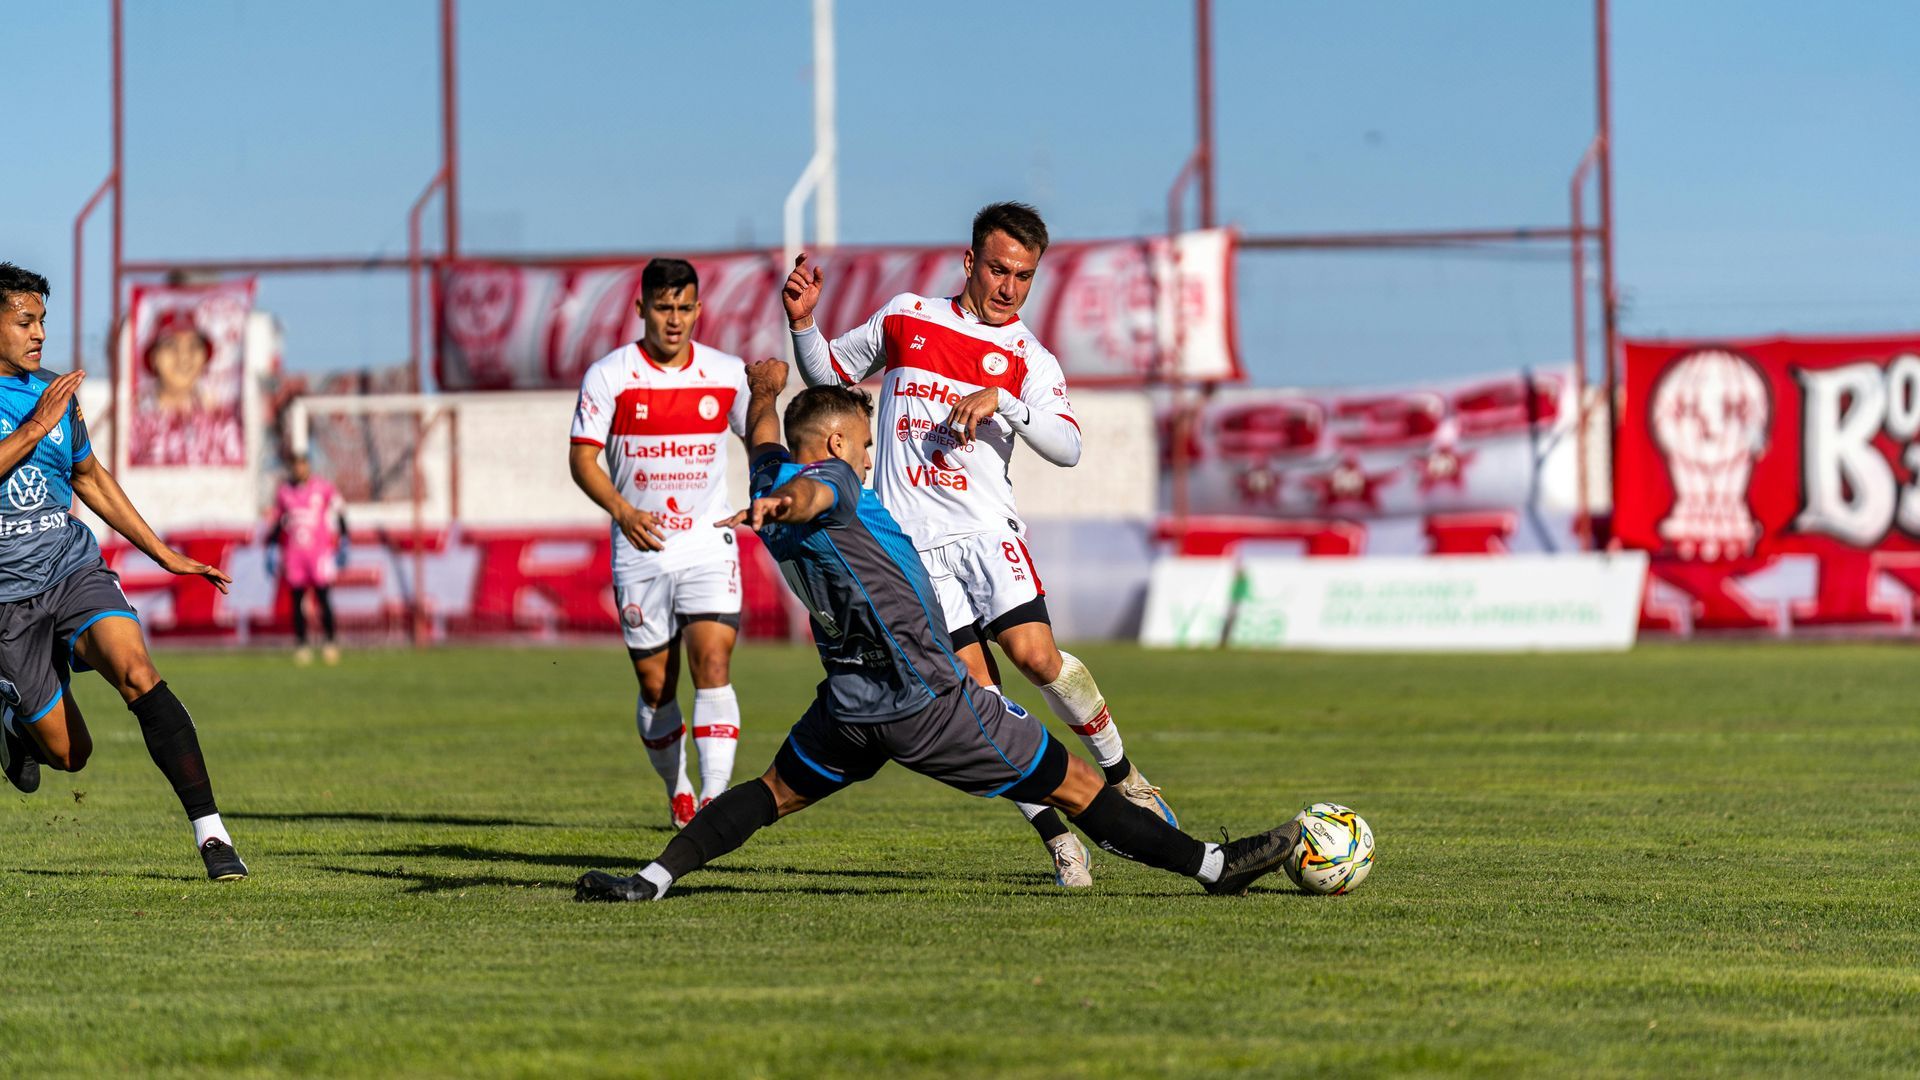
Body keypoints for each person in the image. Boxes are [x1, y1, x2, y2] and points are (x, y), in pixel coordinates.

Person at [574, 361, 1298, 903]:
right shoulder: (834, 483)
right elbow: (815, 490)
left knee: (768, 795)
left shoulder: (770, 479)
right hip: (930, 705)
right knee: (1078, 787)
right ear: (831, 442)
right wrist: (791, 502)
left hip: (847, 709)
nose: (867, 457)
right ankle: (1215, 868)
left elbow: (767, 450)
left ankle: (652, 880)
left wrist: (764, 394)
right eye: (860, 443)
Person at [782, 201, 1170, 887]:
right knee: (979, 699)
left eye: (1024, 276)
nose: (1009, 287)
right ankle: (1057, 838)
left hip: (987, 535)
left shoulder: (1029, 358)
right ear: (969, 262)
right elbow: (830, 381)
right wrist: (804, 324)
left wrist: (1006, 402)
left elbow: (1070, 447)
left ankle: (1124, 776)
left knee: (1037, 658)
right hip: (914, 549)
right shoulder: (906, 317)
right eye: (998, 269)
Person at [0, 262, 247, 881]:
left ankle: (212, 836)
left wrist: (161, 553)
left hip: (71, 567)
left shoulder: (55, 392)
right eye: (25, 321)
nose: (39, 336)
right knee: (70, 754)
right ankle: (11, 722)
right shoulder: (41, 409)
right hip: (8, 601)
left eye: (43, 323)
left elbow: (88, 478)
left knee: (138, 673)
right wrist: (34, 428)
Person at [569, 259, 751, 829]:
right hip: (640, 547)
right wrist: (622, 512)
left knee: (713, 662)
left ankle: (715, 798)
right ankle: (678, 787)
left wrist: (770, 485)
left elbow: (763, 435)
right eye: (664, 308)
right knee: (656, 684)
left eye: (685, 309)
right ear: (641, 308)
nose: (675, 321)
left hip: (708, 543)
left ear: (699, 310)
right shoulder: (611, 375)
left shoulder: (726, 374)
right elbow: (582, 459)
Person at [267, 453, 348, 666]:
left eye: (303, 465)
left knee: (323, 596)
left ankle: (330, 642)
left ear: (308, 467)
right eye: (296, 466)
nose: (299, 470)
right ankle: (302, 645)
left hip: (319, 553)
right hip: (294, 554)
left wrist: (344, 540)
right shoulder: (285, 492)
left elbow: (340, 511)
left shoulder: (323, 488)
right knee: (297, 600)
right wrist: (273, 548)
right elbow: (278, 521)